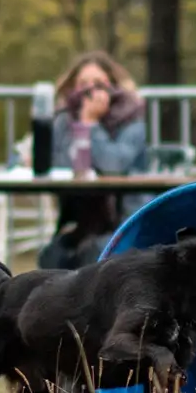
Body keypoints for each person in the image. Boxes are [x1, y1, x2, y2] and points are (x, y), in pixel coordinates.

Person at [37, 50, 151, 270]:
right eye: (83, 84)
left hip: (123, 222)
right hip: (77, 224)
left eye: (99, 83)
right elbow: (58, 165)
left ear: (113, 85)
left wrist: (90, 124)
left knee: (94, 254)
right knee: (51, 257)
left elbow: (114, 165)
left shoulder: (132, 119)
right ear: (73, 87)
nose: (91, 90)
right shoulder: (63, 120)